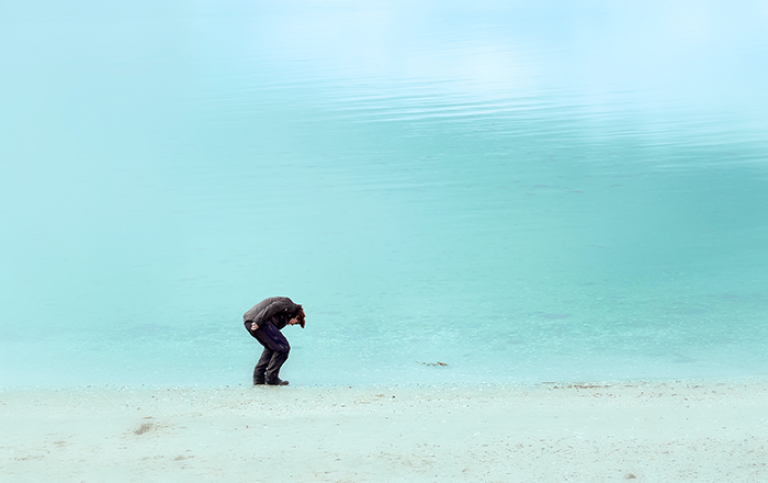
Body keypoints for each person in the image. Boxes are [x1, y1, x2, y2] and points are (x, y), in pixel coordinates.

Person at [243, 296, 305, 386]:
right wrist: (257, 321)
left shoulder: (282, 318)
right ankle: (272, 378)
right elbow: (273, 307)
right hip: (257, 321)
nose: (292, 325)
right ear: (297, 316)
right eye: (295, 323)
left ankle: (258, 377)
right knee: (283, 348)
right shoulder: (290, 306)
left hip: (249, 321)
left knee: (272, 348)